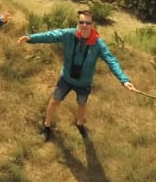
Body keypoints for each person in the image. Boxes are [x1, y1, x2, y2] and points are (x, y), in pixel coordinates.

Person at [20, 8, 136, 141]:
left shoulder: (98, 44)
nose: (84, 25)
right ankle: (47, 125)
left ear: (92, 25)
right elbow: (51, 35)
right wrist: (31, 38)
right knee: (55, 101)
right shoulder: (69, 35)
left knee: (82, 104)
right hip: (66, 78)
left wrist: (124, 80)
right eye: (82, 22)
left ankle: (80, 124)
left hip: (83, 83)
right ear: (78, 23)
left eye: (87, 23)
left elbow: (111, 60)